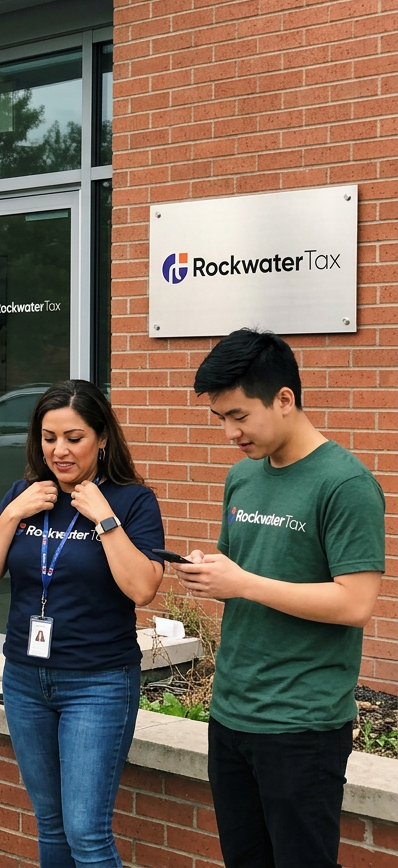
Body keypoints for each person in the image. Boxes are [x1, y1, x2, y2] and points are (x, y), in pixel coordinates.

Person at [172, 329, 384, 868]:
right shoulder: (242, 477)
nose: (229, 433)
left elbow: (356, 603)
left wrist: (243, 582)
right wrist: (210, 575)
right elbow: (246, 573)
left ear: (284, 399)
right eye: (220, 418)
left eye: (238, 416)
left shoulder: (345, 484)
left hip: (303, 725)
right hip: (231, 712)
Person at [0, 379, 164, 868]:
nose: (59, 450)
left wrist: (105, 519)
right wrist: (12, 514)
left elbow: (142, 589)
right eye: (48, 437)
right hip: (25, 679)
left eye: (74, 438)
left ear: (102, 438)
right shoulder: (25, 494)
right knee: (51, 826)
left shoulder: (133, 501)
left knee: (87, 833)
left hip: (97, 682)